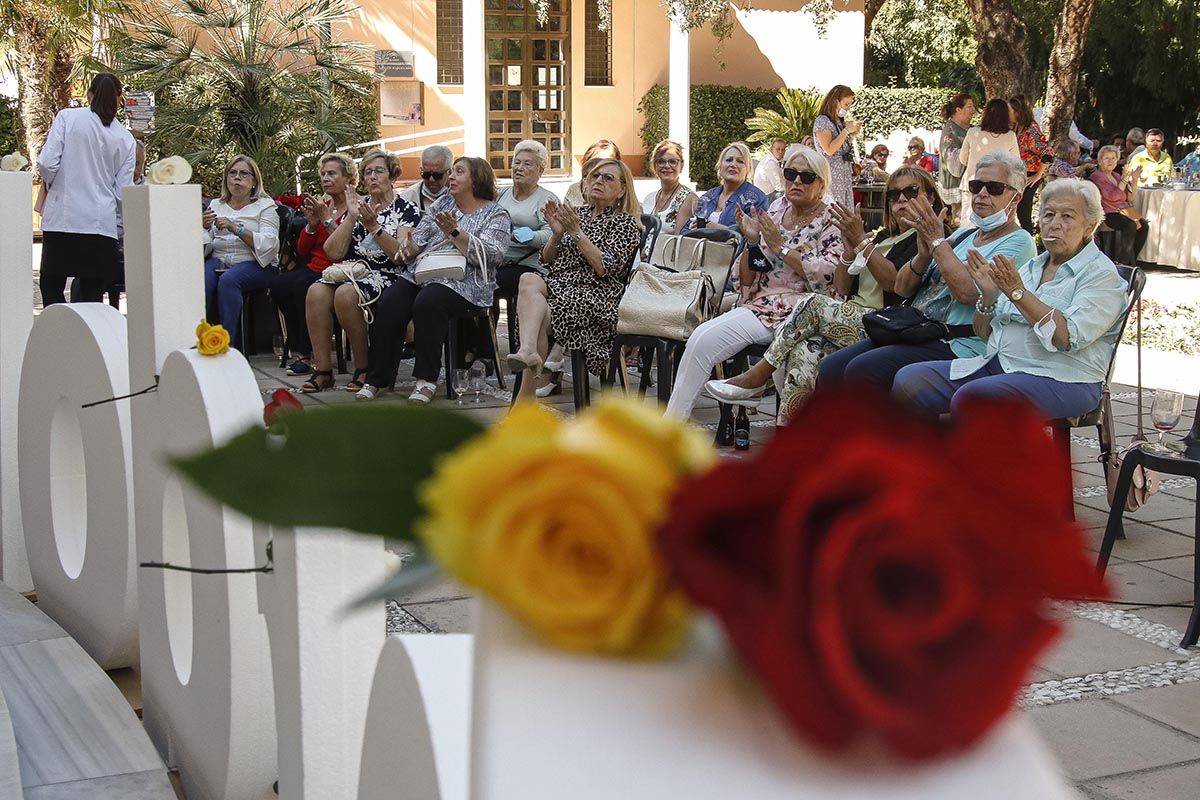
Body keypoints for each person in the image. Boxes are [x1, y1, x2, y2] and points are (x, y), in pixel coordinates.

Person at [705, 166, 947, 421]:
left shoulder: (930, 239)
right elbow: (842, 288)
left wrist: (863, 243)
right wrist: (848, 251)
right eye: (894, 194)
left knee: (813, 303)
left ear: (930, 197)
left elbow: (893, 283)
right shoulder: (885, 237)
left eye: (910, 192)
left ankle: (758, 375)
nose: (900, 200)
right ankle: (793, 444)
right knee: (803, 354)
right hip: (856, 318)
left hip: (887, 324)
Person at [894, 179, 1128, 420]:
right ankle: (922, 453)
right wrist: (988, 295)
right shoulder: (1033, 267)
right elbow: (985, 333)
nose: (1054, 225)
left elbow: (1065, 337)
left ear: (1089, 227)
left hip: (1064, 377)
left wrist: (1018, 294)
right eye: (1048, 215)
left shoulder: (1100, 274)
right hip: (1001, 364)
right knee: (909, 381)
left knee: (975, 397)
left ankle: (970, 457)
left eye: (1067, 217)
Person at [817, 150, 1037, 391]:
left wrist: (936, 242)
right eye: (976, 186)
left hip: (960, 341)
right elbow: (902, 287)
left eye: (994, 188)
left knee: (864, 369)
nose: (982, 194)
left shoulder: (1020, 241)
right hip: (917, 329)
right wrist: (923, 255)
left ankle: (877, 429)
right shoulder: (964, 235)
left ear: (1016, 198)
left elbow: (967, 294)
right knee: (832, 367)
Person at [666, 145, 842, 419]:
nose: (796, 181)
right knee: (701, 338)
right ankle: (670, 429)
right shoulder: (777, 208)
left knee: (790, 366)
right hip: (763, 305)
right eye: (790, 174)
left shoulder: (832, 217)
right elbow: (747, 278)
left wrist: (781, 247)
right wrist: (750, 242)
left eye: (806, 177)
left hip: (805, 313)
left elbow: (828, 274)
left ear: (821, 182)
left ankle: (795, 446)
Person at [356, 157, 510, 403]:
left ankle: (426, 379)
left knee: (428, 301)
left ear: (476, 179)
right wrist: (408, 248)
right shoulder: (442, 204)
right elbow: (419, 239)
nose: (450, 177)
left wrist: (456, 232)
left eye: (459, 172)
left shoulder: (495, 213)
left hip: (467, 281)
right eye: (452, 172)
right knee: (391, 301)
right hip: (426, 272)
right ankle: (376, 378)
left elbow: (494, 255)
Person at [507, 158, 642, 400]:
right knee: (528, 278)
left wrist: (575, 232)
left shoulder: (625, 223)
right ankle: (528, 350)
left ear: (622, 190)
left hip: (597, 295)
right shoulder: (577, 214)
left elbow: (604, 268)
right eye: (594, 176)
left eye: (608, 178)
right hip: (561, 287)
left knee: (537, 316)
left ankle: (525, 396)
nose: (598, 181)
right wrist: (556, 235)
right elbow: (547, 260)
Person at [301, 149, 421, 393]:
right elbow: (334, 253)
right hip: (355, 270)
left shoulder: (407, 210)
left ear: (392, 176)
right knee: (315, 291)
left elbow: (401, 257)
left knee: (346, 294)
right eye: (368, 173)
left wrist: (373, 226)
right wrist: (350, 219)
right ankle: (323, 370)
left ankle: (363, 368)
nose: (373, 177)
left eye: (379, 171)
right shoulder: (358, 207)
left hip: (390, 274)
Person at [37, 72, 136, 306]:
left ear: (89, 94)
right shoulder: (125, 138)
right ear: (119, 99)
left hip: (63, 217)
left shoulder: (67, 118)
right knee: (92, 295)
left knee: (51, 286)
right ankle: (86, 339)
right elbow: (123, 190)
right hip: (100, 224)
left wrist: (53, 182)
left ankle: (56, 336)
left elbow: (47, 163)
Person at [271, 153, 356, 378]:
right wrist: (310, 226)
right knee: (278, 285)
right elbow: (303, 251)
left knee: (303, 286)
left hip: (340, 268)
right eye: (323, 174)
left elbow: (345, 248)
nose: (325, 179)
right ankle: (301, 337)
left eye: (332, 174)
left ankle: (306, 355)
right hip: (315, 267)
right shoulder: (324, 205)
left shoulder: (355, 206)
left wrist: (327, 219)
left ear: (348, 177)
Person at [202, 154, 280, 339]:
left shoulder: (265, 207)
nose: (237, 177)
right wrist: (203, 227)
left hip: (256, 263)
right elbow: (208, 243)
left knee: (229, 280)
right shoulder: (216, 205)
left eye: (244, 173)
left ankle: (227, 344)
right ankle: (199, 338)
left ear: (254, 181)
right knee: (200, 278)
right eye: (232, 173)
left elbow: (270, 244)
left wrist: (236, 228)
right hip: (219, 258)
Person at [495, 140, 556, 298]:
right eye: (516, 162)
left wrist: (524, 235)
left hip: (528, 267)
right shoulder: (501, 194)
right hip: (496, 261)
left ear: (540, 171)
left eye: (527, 164)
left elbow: (553, 235)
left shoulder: (546, 199)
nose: (519, 168)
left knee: (487, 284)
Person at [682, 141, 768, 233]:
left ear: (748, 169)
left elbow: (754, 237)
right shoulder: (708, 196)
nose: (733, 165)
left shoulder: (756, 199)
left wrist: (714, 228)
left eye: (740, 161)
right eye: (729, 160)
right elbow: (686, 230)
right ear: (720, 166)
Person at [1089, 145, 1148, 266]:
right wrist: (1125, 179)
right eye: (1106, 158)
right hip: (1109, 212)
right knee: (1130, 225)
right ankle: (1122, 263)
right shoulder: (1097, 176)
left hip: (1123, 210)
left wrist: (1135, 179)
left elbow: (1130, 197)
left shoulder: (1116, 176)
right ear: (1100, 161)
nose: (1110, 161)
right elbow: (1112, 197)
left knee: (1143, 225)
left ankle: (1131, 261)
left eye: (1113, 158)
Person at [1009, 94, 1053, 233]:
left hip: (1030, 175)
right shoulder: (1017, 127)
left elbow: (1047, 153)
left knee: (1024, 212)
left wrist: (1038, 175)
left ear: (1017, 112)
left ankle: (1029, 241)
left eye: (1010, 111)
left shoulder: (1031, 129)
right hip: (1019, 173)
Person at [812, 85, 860, 207]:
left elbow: (841, 145)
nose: (848, 109)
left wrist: (851, 134)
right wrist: (846, 131)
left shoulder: (838, 121)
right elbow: (829, 149)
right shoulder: (823, 121)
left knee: (845, 211)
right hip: (831, 175)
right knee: (834, 210)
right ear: (835, 101)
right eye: (846, 104)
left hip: (843, 175)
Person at [959, 99, 1020, 189]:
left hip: (972, 183)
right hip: (995, 187)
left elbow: (963, 159)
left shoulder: (972, 132)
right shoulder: (1010, 136)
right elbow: (1015, 164)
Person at [641, 139, 698, 236]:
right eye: (661, 161)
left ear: (682, 165)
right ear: (654, 165)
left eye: (672, 162)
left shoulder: (688, 199)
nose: (667, 166)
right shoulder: (649, 198)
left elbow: (678, 241)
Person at [938, 94, 975, 223]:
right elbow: (951, 159)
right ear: (958, 110)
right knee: (961, 222)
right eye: (969, 106)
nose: (973, 110)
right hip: (957, 185)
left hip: (971, 184)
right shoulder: (950, 131)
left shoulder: (971, 128)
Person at [565, 139, 621, 206]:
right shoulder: (574, 189)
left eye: (606, 162)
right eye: (595, 161)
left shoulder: (620, 191)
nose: (599, 166)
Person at [399, 145, 453, 214]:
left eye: (437, 175)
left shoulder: (463, 196)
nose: (431, 179)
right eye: (426, 175)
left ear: (450, 172)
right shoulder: (406, 199)